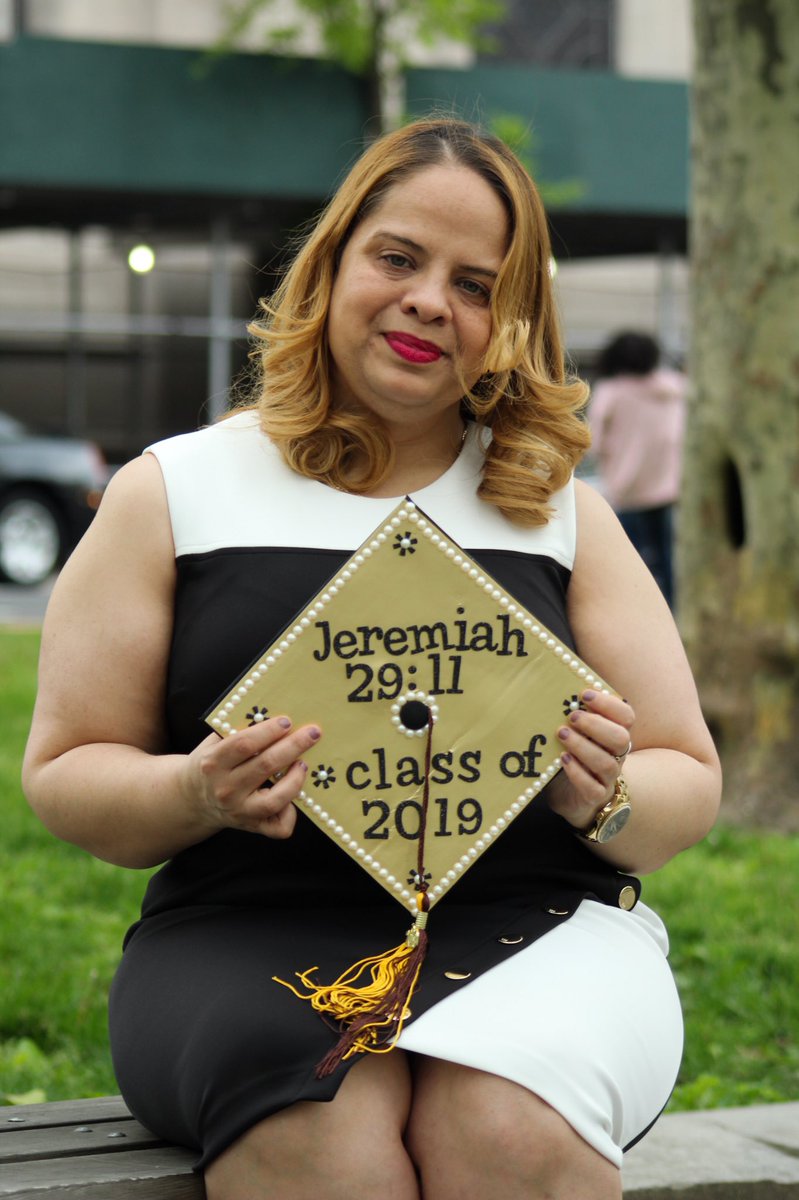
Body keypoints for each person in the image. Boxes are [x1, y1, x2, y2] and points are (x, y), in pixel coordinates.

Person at [22, 117, 721, 1200]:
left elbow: (687, 779)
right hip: (243, 933)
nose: (429, 301)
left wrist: (607, 800)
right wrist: (196, 792)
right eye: (397, 257)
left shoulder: (564, 516)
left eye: (477, 284)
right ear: (334, 260)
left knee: (505, 1124)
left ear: (513, 320)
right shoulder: (173, 492)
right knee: (321, 1131)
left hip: (537, 930)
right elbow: (67, 773)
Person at [588, 331, 687, 607]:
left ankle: (636, 610)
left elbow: (593, 442)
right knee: (667, 558)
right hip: (667, 489)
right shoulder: (673, 388)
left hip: (626, 492)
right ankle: (671, 611)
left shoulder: (611, 393)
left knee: (630, 562)